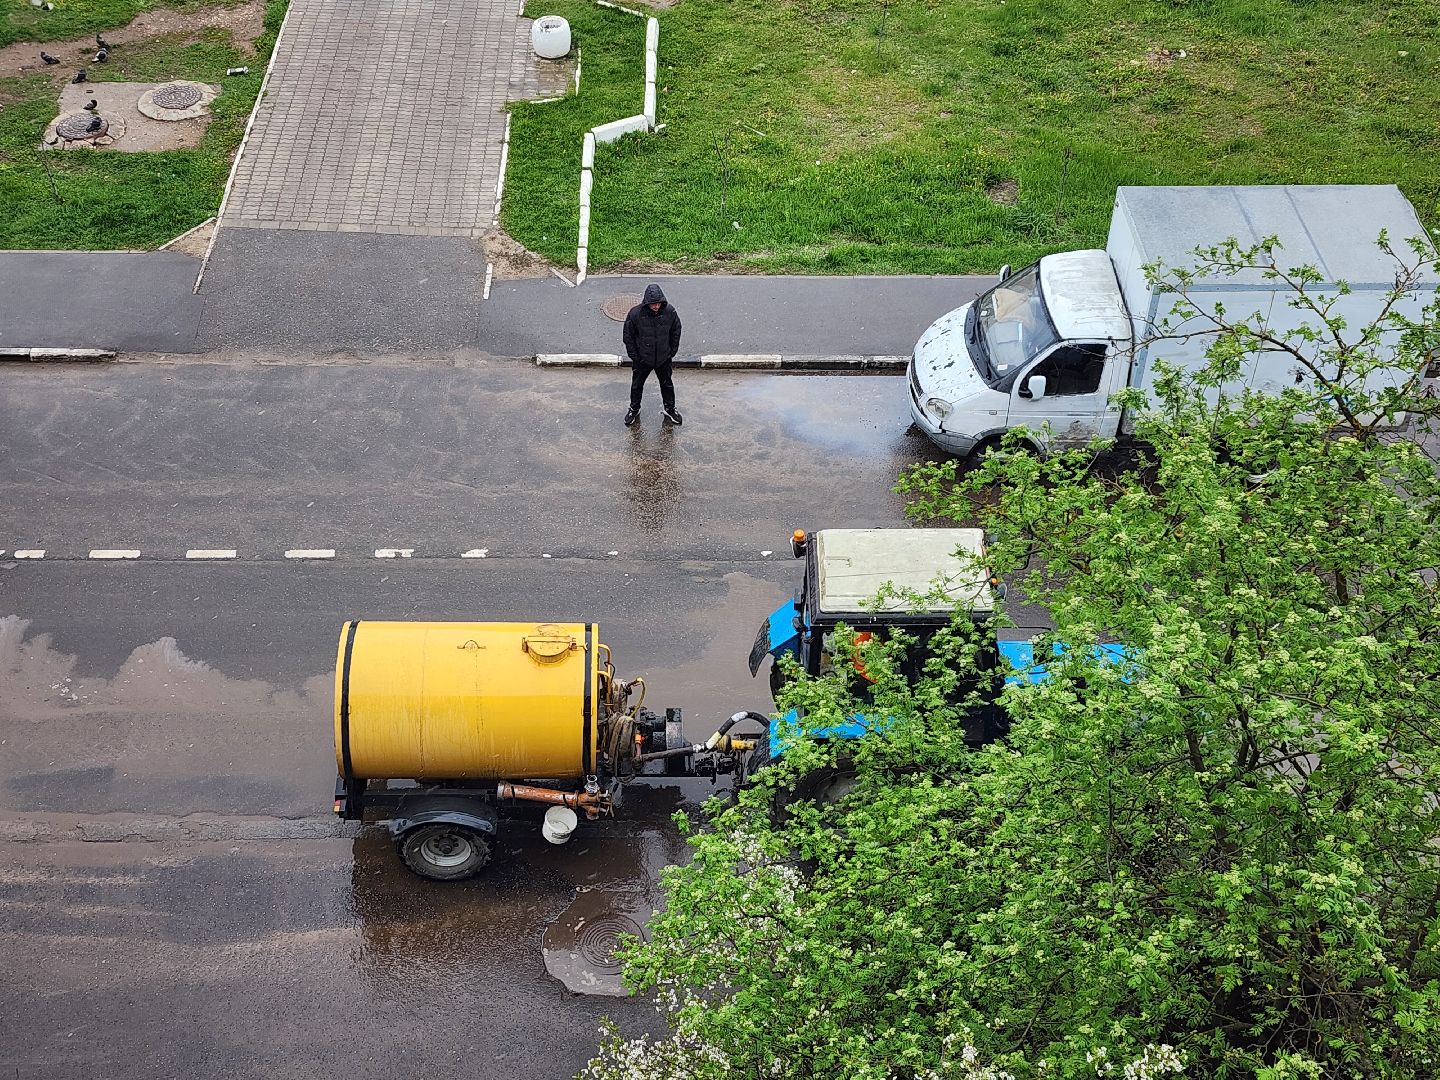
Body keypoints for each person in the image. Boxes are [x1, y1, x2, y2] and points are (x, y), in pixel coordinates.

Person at [622, 283, 682, 426]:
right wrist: (635, 357)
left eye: (658, 303)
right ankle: (634, 409)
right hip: (642, 359)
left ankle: (670, 409)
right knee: (637, 386)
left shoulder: (670, 312)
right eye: (653, 304)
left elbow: (676, 331)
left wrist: (671, 352)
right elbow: (628, 336)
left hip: (663, 358)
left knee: (667, 385)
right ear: (647, 302)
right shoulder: (635, 314)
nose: (656, 306)